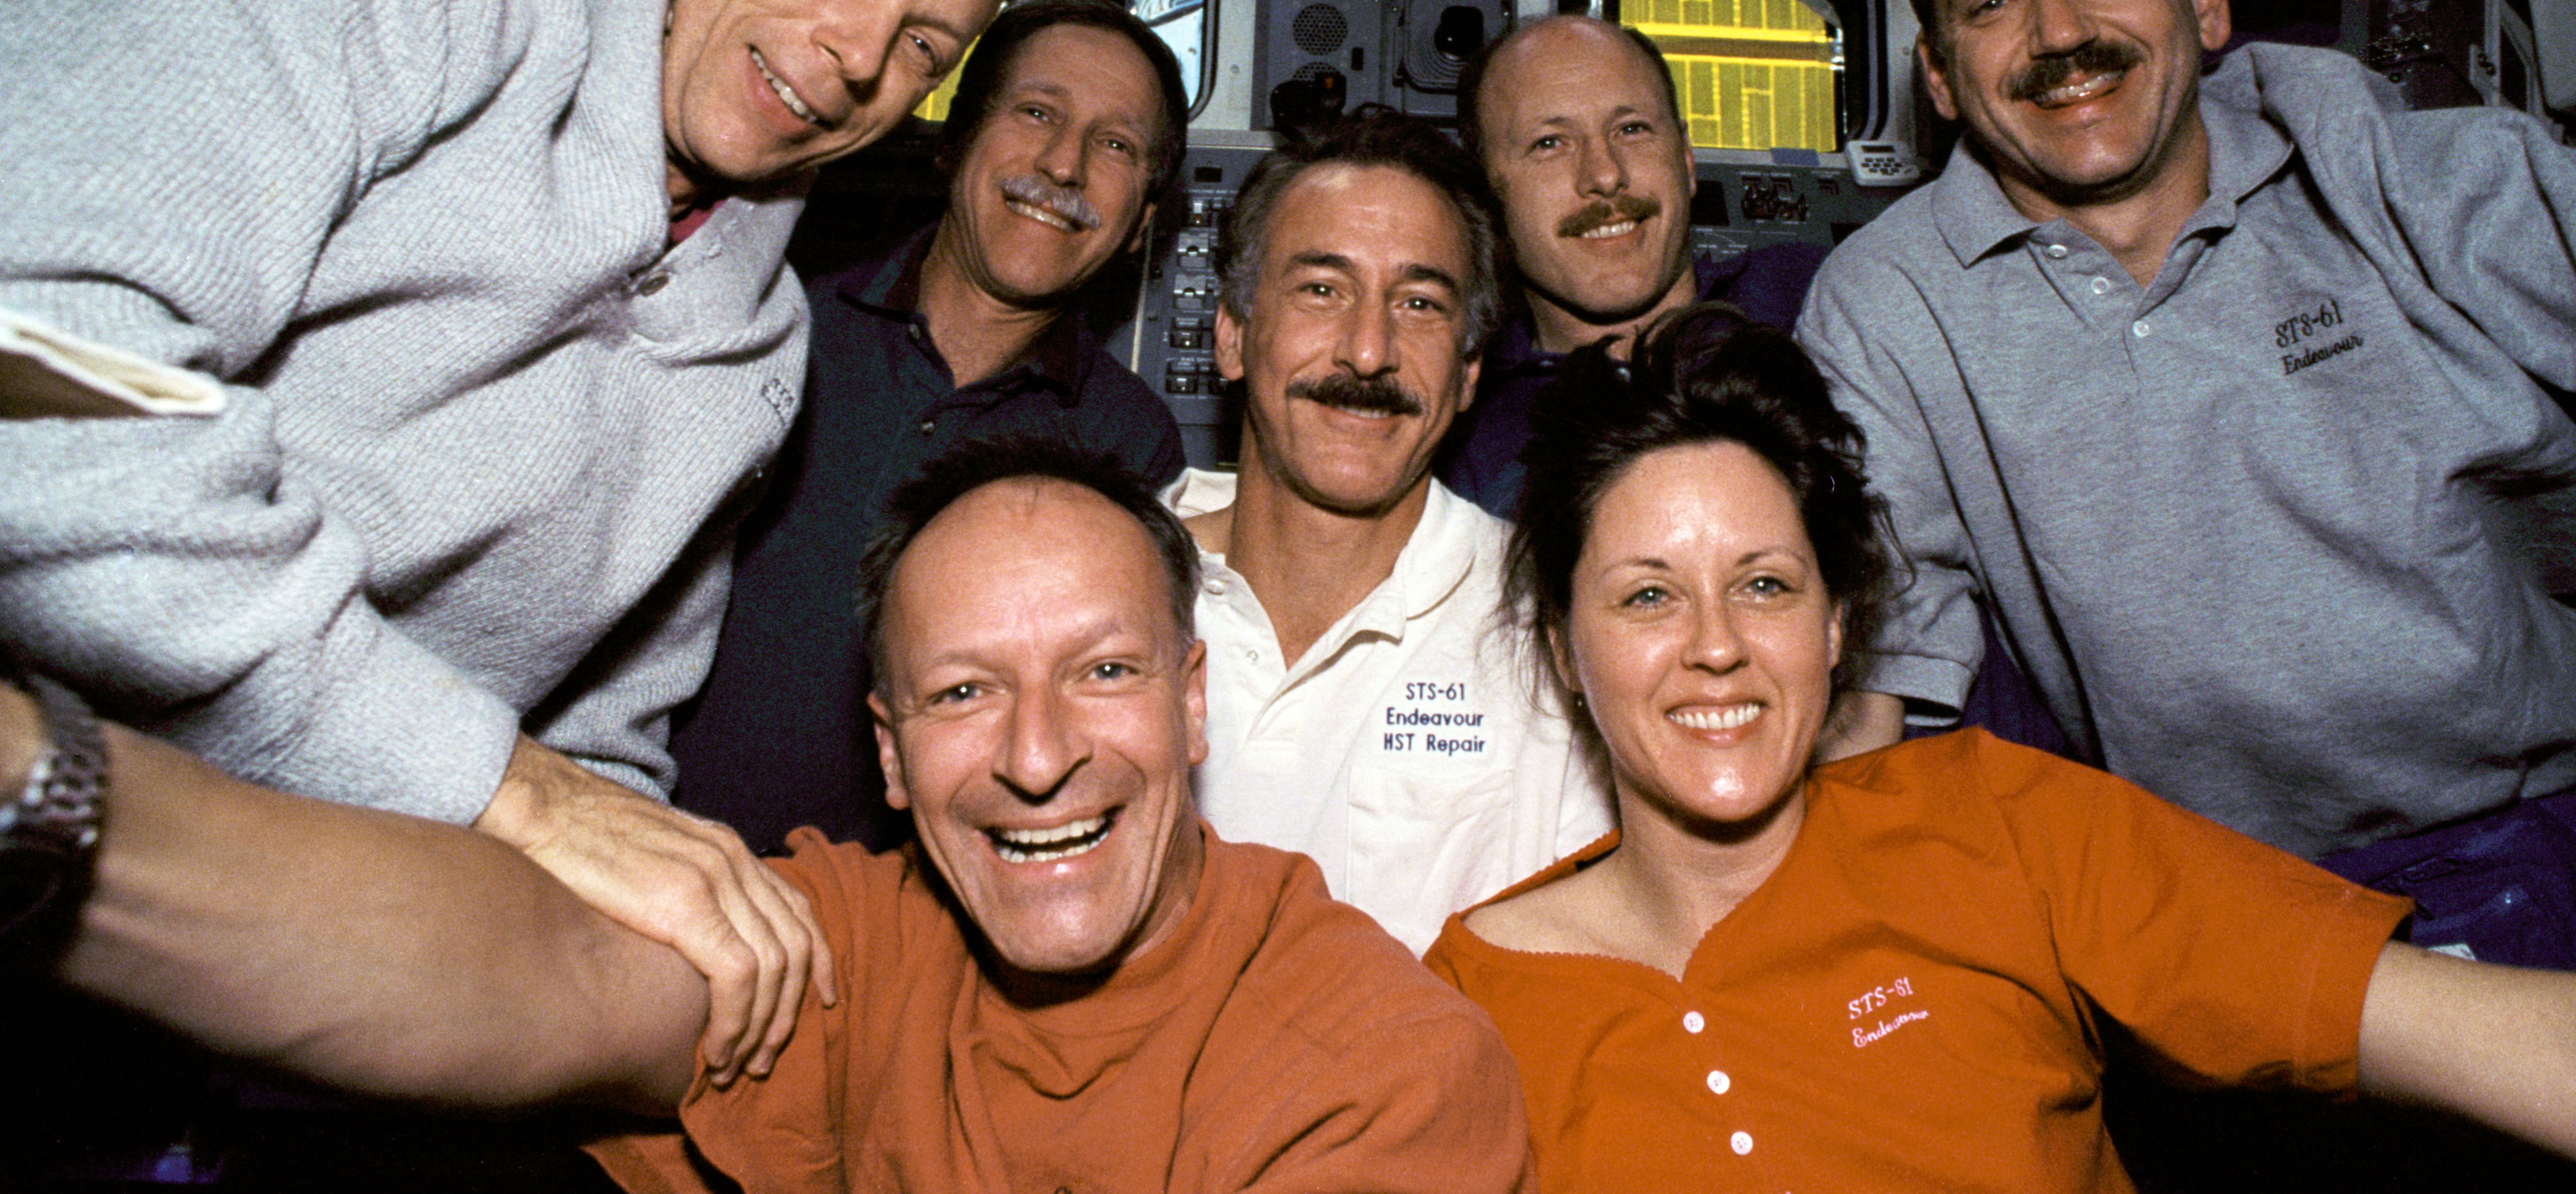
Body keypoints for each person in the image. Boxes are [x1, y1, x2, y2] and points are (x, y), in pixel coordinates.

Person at [0, 0, 1012, 1071]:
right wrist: (502, 789)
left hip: (205, 934)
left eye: (923, 46)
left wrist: (653, 925)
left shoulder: (758, 360)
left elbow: (605, 742)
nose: (859, 52)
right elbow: (35, 373)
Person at [1, 441, 1534, 1193]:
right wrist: (46, 796)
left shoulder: (1379, 1068)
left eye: (1106, 671)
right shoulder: (855, 944)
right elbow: (537, 966)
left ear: (1194, 707)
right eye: (960, 696)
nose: (1039, 754)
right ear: (885, 749)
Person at [1425, 307, 2576, 1191]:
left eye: (1765, 584)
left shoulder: (1996, 823)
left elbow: (2451, 1025)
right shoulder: (1471, 997)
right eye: (1647, 598)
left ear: (1836, 627)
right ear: (1567, 650)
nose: (1715, 646)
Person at [1795, 0, 2576, 939]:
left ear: (2204, 0)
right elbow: (1880, 657)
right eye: (1993, 1)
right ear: (1942, 78)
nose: (2062, 32)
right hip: (2222, 899)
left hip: (2534, 818)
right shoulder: (1885, 303)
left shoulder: (2399, 169)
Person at [674, 0, 1188, 856]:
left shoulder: (1127, 445)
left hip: (894, 934)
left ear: (1141, 223)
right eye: (1036, 113)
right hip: (641, 853)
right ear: (952, 144)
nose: (1065, 165)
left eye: (1115, 146)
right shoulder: (768, 317)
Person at [1169, 108, 1610, 953]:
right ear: (1231, 336)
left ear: (1469, 371)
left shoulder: (1550, 627)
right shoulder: (1097, 591)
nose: (1368, 353)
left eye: (1418, 303)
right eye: (1322, 290)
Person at [1440, 15, 1825, 517]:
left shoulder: (1824, 300)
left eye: (1631, 129)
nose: (1604, 175)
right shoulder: (1459, 423)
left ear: (1686, 160)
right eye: (1549, 143)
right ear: (1486, 195)